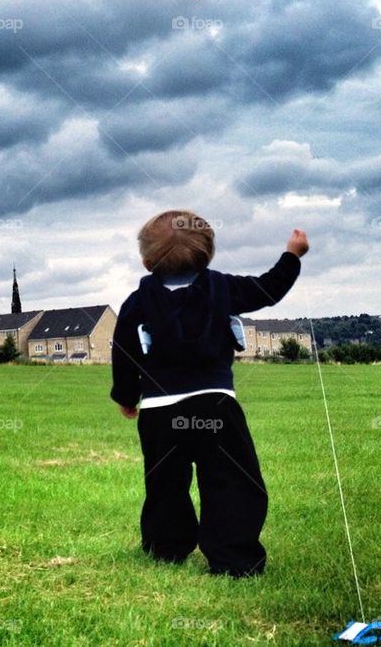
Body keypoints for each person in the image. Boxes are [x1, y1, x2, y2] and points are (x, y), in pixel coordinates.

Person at [110, 209, 309, 578]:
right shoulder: (223, 287)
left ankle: (165, 548)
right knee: (232, 480)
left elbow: (123, 353)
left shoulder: (136, 303)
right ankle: (235, 559)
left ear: (146, 260)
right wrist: (292, 255)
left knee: (165, 482)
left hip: (159, 413)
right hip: (216, 407)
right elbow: (268, 289)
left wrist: (126, 396)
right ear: (208, 255)